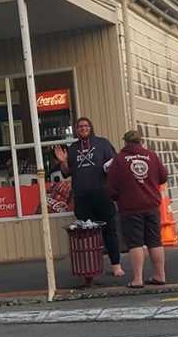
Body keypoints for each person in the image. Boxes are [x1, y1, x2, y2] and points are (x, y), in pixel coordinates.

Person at [53, 117, 124, 277]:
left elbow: (114, 164)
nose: (83, 128)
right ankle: (91, 268)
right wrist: (63, 162)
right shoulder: (72, 148)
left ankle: (116, 266)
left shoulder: (103, 143)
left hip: (102, 195)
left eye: (86, 126)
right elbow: (66, 172)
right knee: (87, 235)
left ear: (91, 128)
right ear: (76, 130)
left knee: (109, 231)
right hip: (82, 197)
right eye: (80, 126)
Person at [106, 129, 169, 289]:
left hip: (131, 207)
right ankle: (160, 275)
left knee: (135, 243)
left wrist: (118, 197)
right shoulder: (151, 156)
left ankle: (137, 279)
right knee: (155, 242)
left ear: (125, 142)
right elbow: (163, 176)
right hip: (152, 205)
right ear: (140, 141)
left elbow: (111, 186)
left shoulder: (119, 160)